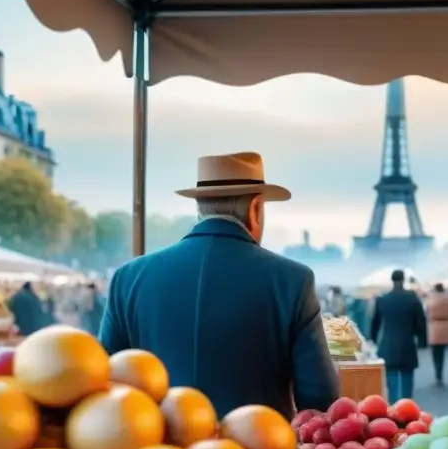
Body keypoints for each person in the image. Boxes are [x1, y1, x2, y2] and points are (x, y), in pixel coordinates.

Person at [98, 152, 339, 420]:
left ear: (199, 208)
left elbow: (105, 383)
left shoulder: (128, 278)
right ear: (255, 208)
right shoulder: (293, 280)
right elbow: (320, 397)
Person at [370, 269, 427, 402]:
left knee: (391, 379)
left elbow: (375, 323)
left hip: (388, 344)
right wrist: (422, 341)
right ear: (403, 280)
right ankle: (407, 405)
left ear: (392, 280)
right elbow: (421, 323)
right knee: (407, 376)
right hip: (407, 343)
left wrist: (372, 339)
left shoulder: (383, 299)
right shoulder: (413, 300)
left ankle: (394, 407)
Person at [425, 283, 448, 386]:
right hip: (446, 325)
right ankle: (440, 372)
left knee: (435, 352)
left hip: (434, 326)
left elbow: (426, 312)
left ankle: (437, 372)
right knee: (442, 352)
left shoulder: (431, 300)